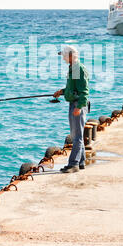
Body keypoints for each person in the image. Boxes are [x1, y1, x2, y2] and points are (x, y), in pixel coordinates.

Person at [53, 45, 89, 173]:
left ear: (70, 55)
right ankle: (81, 162)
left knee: (77, 136)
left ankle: (73, 164)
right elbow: (73, 88)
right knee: (76, 135)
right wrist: (61, 91)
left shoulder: (78, 69)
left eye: (63, 55)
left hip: (78, 104)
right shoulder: (72, 68)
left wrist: (79, 107)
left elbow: (84, 91)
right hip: (74, 103)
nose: (62, 58)